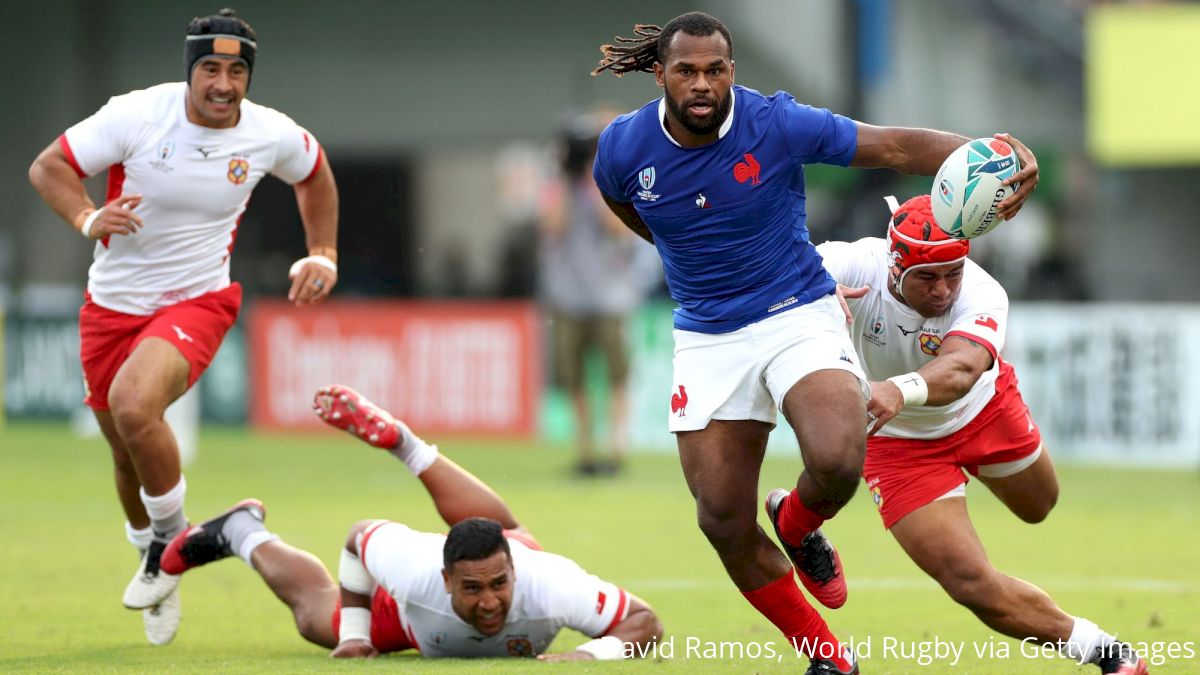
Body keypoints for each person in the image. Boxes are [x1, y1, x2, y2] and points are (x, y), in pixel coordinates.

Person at [589, 12, 1039, 675]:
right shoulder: (623, 148)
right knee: (721, 519)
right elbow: (622, 199)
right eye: (686, 70)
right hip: (707, 335)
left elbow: (888, 147)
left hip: (796, 308)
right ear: (661, 75)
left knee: (837, 457)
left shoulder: (774, 122)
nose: (703, 83)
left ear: (732, 72)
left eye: (716, 69)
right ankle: (829, 658)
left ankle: (798, 520)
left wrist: (986, 157)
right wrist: (682, 248)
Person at [26, 8, 339, 645]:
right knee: (124, 448)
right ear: (190, 72)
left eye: (236, 71)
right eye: (211, 69)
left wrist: (323, 252)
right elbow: (47, 168)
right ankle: (155, 556)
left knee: (134, 406)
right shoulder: (136, 115)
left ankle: (173, 543)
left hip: (198, 300)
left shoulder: (267, 132)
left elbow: (314, 173)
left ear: (249, 77)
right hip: (111, 305)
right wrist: (89, 217)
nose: (224, 84)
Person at [814, 194, 1147, 675]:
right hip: (899, 444)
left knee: (1039, 506)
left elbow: (962, 368)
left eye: (954, 272)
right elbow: (774, 264)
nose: (945, 290)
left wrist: (896, 389)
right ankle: (1109, 654)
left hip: (985, 410)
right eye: (926, 277)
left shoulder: (984, 292)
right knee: (969, 582)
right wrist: (813, 291)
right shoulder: (851, 263)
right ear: (893, 268)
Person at [158, 384, 663, 660]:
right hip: (411, 625)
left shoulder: (549, 582)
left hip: (508, 550)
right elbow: (358, 537)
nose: (489, 602)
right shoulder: (414, 572)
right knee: (316, 618)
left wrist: (590, 660)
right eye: (472, 589)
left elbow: (646, 625)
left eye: (498, 585)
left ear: (514, 571)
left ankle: (406, 443)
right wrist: (355, 632)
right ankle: (242, 531)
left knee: (499, 525)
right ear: (446, 582)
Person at [539, 108, 654, 476]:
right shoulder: (557, 187)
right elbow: (553, 226)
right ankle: (586, 451)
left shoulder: (605, 181)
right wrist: (564, 179)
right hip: (568, 299)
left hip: (610, 298)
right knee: (575, 380)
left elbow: (619, 229)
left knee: (616, 376)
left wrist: (595, 179)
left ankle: (616, 449)